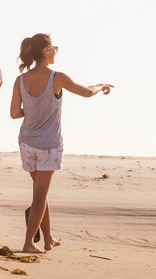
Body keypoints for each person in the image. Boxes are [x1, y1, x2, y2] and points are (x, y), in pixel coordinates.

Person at [10, 33, 112, 253]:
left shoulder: (20, 80)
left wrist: (33, 110)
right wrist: (101, 84)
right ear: (46, 51)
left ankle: (48, 239)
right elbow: (86, 92)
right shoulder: (57, 77)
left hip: (26, 142)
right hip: (48, 144)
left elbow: (13, 113)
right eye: (53, 47)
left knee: (40, 192)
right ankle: (29, 243)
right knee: (40, 196)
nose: (55, 51)